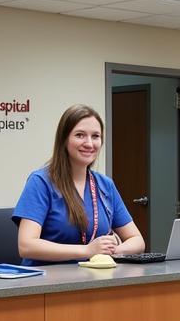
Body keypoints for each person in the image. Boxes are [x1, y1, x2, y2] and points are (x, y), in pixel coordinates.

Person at [13, 104, 145, 264]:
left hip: (93, 279)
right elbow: (27, 246)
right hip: (46, 283)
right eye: (80, 135)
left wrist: (111, 250)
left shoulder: (105, 185)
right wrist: (87, 250)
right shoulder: (41, 182)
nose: (89, 143)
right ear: (64, 139)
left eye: (95, 136)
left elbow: (137, 240)